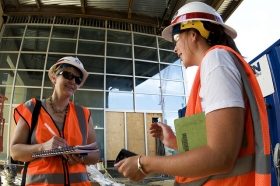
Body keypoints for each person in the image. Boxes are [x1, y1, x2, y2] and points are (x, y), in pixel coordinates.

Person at [115, 2, 271, 185]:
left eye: (176, 39)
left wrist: (146, 163)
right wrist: (174, 142)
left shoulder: (216, 60)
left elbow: (221, 156)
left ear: (193, 34)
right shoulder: (216, 64)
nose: (174, 48)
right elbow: (219, 146)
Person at [10, 56, 100, 186]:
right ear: (53, 78)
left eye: (77, 79)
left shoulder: (84, 114)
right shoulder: (32, 109)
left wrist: (82, 157)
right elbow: (15, 152)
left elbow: (95, 154)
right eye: (68, 75)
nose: (73, 81)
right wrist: (43, 147)